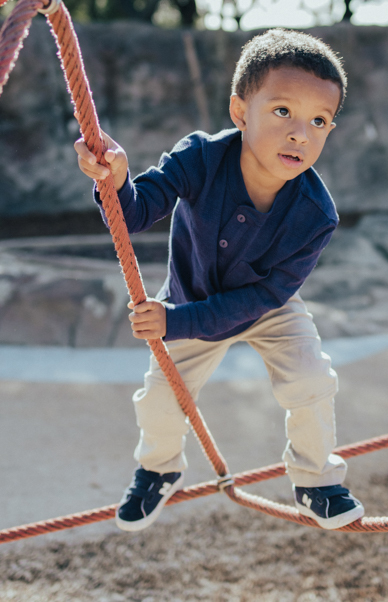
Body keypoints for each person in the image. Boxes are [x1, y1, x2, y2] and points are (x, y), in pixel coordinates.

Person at [74, 28, 364, 531]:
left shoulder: (317, 215)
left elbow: (268, 293)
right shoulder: (201, 159)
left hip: (265, 308)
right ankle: (158, 470)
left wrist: (176, 321)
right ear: (239, 112)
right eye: (282, 112)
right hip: (191, 299)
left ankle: (316, 481)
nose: (301, 133)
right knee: (161, 399)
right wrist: (115, 180)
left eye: (318, 121)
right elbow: (136, 213)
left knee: (312, 378)